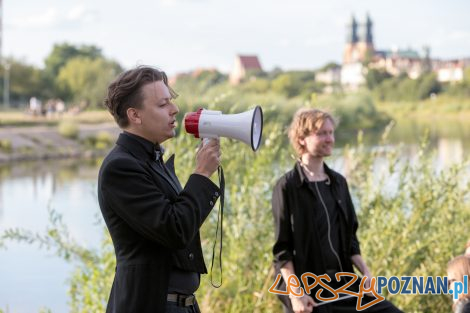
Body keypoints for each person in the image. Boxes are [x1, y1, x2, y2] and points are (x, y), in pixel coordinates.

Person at [98, 66, 221, 313]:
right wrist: (202, 173)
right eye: (163, 104)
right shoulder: (121, 167)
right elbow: (175, 230)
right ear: (135, 115)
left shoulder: (150, 161)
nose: (175, 109)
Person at [271, 108, 402, 313]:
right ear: (302, 138)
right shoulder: (287, 186)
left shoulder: (339, 182)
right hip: (308, 291)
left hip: (344, 284)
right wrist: (296, 295)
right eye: (322, 133)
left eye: (331, 132)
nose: (330, 138)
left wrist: (366, 273)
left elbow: (351, 240)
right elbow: (282, 251)